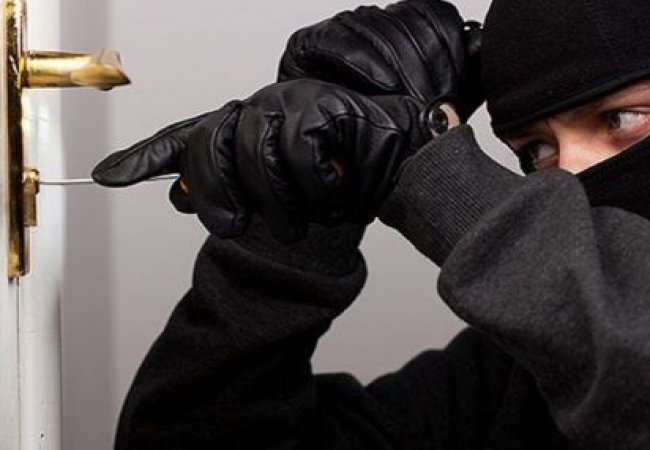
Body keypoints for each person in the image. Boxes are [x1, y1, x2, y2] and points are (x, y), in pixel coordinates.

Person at [92, 0, 650, 448]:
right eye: (536, 151)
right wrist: (299, 204)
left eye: (622, 119)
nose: (567, 174)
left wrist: (427, 165)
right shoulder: (511, 377)